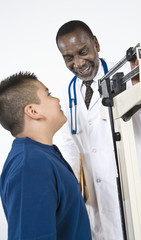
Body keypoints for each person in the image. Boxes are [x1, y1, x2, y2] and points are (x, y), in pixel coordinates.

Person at [55, 20, 141, 240]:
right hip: (98, 209)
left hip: (137, 199)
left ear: (96, 43)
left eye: (83, 51)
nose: (78, 62)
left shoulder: (127, 75)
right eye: (69, 58)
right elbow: (69, 154)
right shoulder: (67, 96)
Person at [0, 72, 92, 240]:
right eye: (48, 94)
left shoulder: (43, 156)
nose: (56, 100)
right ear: (33, 111)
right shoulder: (30, 167)